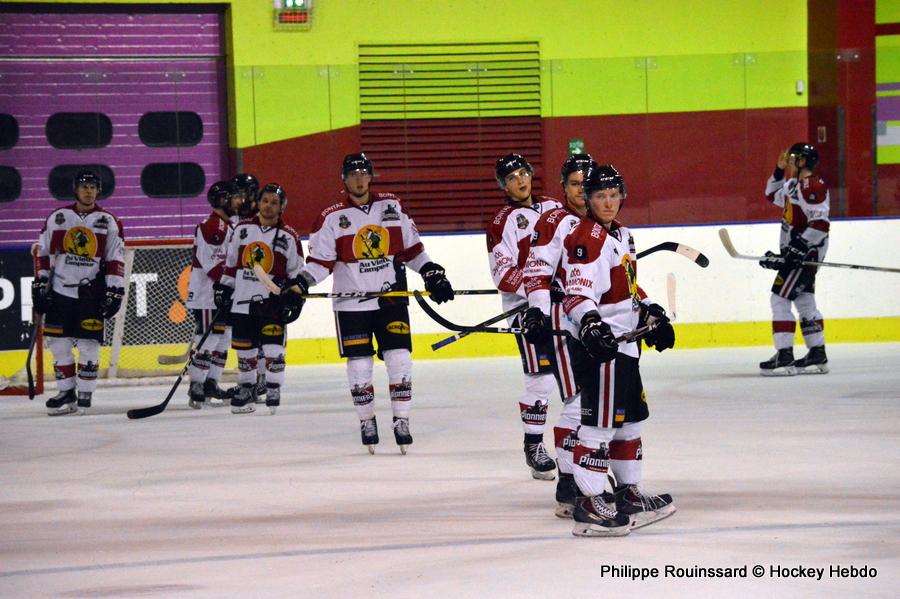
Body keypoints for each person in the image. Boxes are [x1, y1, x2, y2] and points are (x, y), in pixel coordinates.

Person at [294, 153, 454, 454]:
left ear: (371, 176)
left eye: (363, 173)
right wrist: (300, 282)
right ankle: (367, 421)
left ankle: (401, 420)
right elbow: (319, 263)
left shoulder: (392, 206)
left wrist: (431, 271)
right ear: (344, 179)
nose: (358, 179)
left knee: (400, 358)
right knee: (360, 364)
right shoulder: (331, 217)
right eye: (352, 174)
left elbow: (413, 250)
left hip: (391, 298)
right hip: (351, 304)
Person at [561, 164, 676, 536]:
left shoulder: (623, 235)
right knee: (599, 426)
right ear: (588, 199)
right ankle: (588, 503)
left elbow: (627, 288)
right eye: (600, 196)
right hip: (602, 349)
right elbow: (576, 295)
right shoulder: (585, 237)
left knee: (631, 422)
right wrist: (591, 324)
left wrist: (650, 312)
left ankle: (627, 493)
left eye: (613, 195)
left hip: (625, 344)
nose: (608, 203)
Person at [523, 154, 595, 515]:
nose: (582, 190)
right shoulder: (553, 221)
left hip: (594, 324)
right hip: (563, 322)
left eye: (587, 183)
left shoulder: (602, 221)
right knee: (578, 402)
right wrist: (538, 310)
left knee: (596, 402)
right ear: (564, 187)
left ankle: (585, 475)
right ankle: (568, 482)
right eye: (575, 184)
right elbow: (536, 271)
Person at [486, 153, 562, 480]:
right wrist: (538, 290)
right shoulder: (501, 222)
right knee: (541, 379)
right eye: (511, 178)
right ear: (503, 186)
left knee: (576, 380)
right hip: (527, 312)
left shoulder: (554, 208)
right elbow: (503, 273)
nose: (520, 180)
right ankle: (534, 446)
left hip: (562, 307)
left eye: (523, 173)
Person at [32, 170, 125, 415]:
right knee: (59, 344)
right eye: (84, 186)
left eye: (93, 187)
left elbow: (115, 258)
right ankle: (66, 392)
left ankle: (85, 393)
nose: (89, 191)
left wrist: (115, 290)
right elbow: (43, 252)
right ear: (75, 189)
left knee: (88, 344)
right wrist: (40, 284)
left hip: (91, 293)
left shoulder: (108, 221)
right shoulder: (58, 217)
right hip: (60, 292)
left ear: (98, 191)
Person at [216, 183, 304, 415]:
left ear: (281, 207)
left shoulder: (289, 236)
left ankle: (273, 388)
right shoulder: (242, 229)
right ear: (259, 203)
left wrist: (296, 299)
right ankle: (246, 388)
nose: (268, 206)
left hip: (272, 304)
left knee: (273, 350)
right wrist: (223, 289)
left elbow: (296, 274)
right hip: (242, 301)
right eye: (265, 201)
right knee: (245, 351)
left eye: (274, 203)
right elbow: (231, 264)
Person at [759, 143, 830, 375]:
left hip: (806, 254)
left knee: (779, 299)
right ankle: (817, 352)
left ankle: (785, 355)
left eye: (793, 157)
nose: (790, 160)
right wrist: (778, 170)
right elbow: (771, 194)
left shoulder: (813, 186)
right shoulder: (792, 184)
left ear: (804, 161)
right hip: (797, 251)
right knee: (804, 300)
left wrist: (797, 250)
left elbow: (820, 223)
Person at [184, 180, 242, 408]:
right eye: (234, 197)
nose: (239, 201)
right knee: (209, 338)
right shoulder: (211, 226)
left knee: (224, 338)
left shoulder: (230, 226)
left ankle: (211, 383)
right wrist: (234, 286)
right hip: (208, 294)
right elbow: (214, 266)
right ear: (223, 200)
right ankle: (196, 384)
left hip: (224, 292)